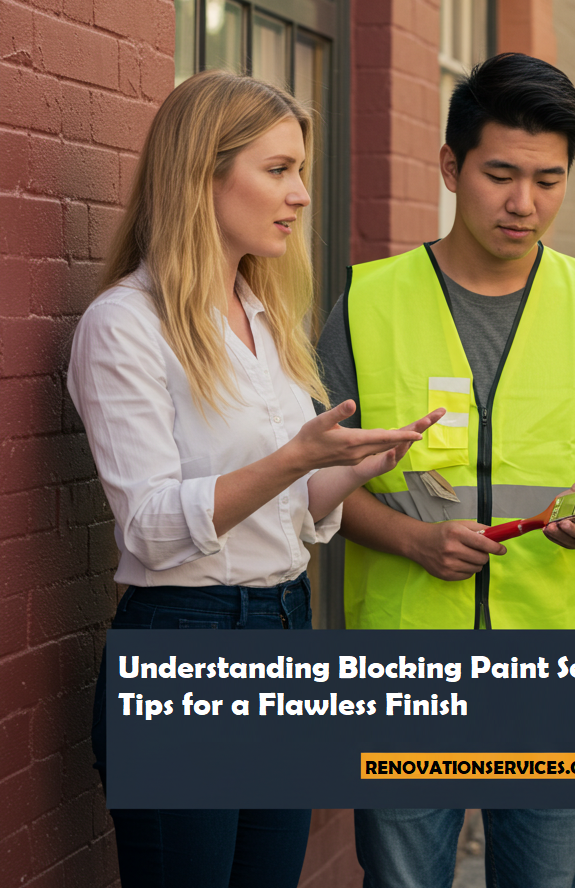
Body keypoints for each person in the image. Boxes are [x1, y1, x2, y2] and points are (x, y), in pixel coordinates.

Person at [68, 70, 438, 888]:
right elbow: (153, 530)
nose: (300, 195)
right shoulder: (125, 325)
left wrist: (357, 465)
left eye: (300, 171)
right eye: (278, 170)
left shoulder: (264, 318)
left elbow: (289, 514)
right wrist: (295, 456)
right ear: (204, 174)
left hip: (282, 626)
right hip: (187, 640)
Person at [317, 52, 575, 887]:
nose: (524, 203)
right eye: (501, 175)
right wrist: (411, 539)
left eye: (549, 180)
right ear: (450, 166)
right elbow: (315, 483)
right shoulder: (366, 303)